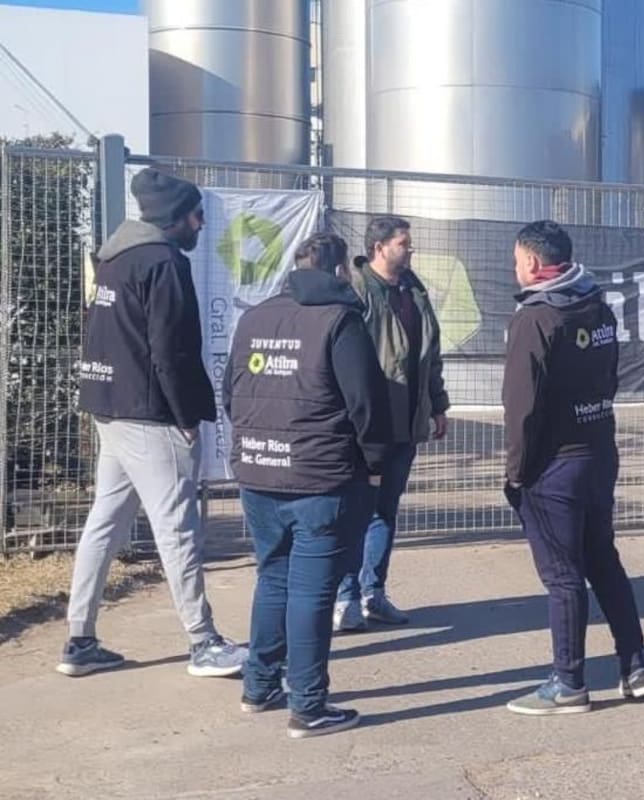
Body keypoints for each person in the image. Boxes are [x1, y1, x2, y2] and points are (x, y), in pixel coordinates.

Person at [60, 168, 247, 679]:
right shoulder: (163, 262)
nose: (201, 223)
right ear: (175, 218)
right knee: (177, 528)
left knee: (106, 521)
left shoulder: (115, 258)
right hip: (150, 414)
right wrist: (187, 416)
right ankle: (203, 641)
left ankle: (80, 639)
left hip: (109, 406)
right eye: (195, 214)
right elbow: (171, 349)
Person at [224, 233, 393, 739]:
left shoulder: (253, 317)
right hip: (319, 477)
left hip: (258, 471)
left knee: (273, 577)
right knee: (312, 591)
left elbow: (232, 390)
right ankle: (310, 705)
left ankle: (259, 686)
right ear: (341, 270)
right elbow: (366, 403)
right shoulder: (340, 320)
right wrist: (377, 463)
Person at [501, 220, 644, 715]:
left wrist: (518, 472)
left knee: (563, 576)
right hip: (598, 453)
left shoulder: (535, 318)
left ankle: (568, 683)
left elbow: (521, 407)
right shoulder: (597, 304)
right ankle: (635, 666)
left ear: (531, 263)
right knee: (603, 561)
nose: (514, 267)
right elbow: (609, 379)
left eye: (516, 258)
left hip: (554, 466)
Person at [333, 216, 450, 631]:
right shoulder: (358, 291)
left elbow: (430, 355)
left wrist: (438, 405)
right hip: (368, 427)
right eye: (404, 243)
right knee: (354, 512)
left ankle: (372, 594)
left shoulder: (413, 291)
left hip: (406, 423)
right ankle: (344, 598)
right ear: (380, 247)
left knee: (386, 510)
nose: (411, 249)